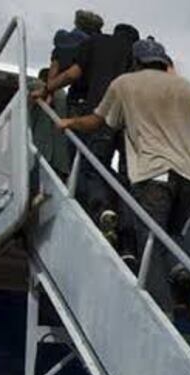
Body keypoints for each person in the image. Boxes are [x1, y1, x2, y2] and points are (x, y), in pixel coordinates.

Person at [58, 38, 190, 311]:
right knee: (172, 235)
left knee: (150, 242)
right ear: (165, 62)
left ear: (136, 62)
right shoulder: (188, 88)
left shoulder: (125, 84)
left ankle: (160, 310)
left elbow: (97, 121)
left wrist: (69, 122)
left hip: (154, 175)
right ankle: (182, 279)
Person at [40, 22, 136, 234]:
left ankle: (102, 208)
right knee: (126, 176)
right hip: (130, 125)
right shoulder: (136, 55)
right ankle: (127, 233)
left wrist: (48, 88)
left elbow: (72, 74)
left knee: (90, 166)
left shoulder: (96, 43)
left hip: (99, 114)